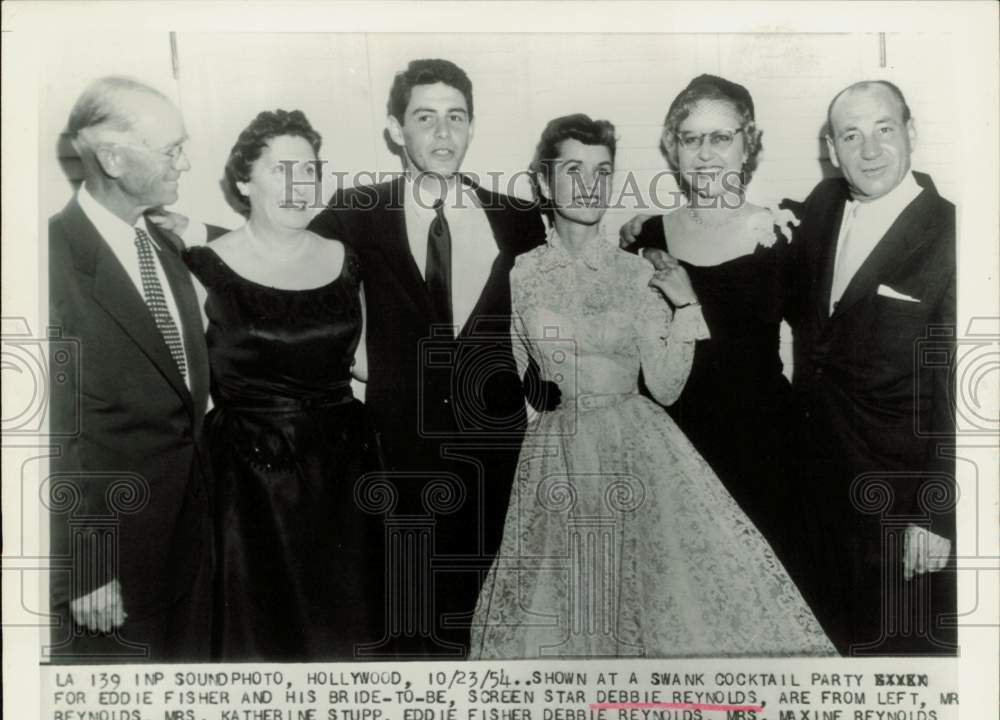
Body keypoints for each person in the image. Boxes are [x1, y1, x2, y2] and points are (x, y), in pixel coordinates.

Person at [470, 114, 835, 658]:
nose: (589, 184)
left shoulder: (638, 272)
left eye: (602, 171)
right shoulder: (522, 273)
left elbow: (665, 387)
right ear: (545, 183)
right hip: (556, 459)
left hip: (635, 451)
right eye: (573, 170)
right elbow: (524, 370)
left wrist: (687, 306)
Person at [310, 59, 547, 658]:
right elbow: (282, 258)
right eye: (425, 118)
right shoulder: (356, 211)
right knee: (408, 630)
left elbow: (567, 281)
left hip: (497, 455)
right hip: (397, 456)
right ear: (396, 129)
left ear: (471, 126)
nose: (443, 134)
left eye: (456, 117)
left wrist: (645, 233)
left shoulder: (517, 219)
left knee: (490, 624)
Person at [183, 109, 382, 661]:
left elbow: (368, 364)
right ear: (243, 182)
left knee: (346, 636)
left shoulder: (349, 261)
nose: (299, 186)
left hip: (345, 476)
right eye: (280, 170)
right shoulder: (202, 266)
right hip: (249, 485)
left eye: (310, 170)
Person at [48, 76, 218, 661]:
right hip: (113, 572)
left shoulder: (163, 245)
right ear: (114, 158)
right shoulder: (47, 262)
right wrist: (86, 567)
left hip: (191, 550)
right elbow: (49, 436)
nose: (186, 163)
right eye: (171, 151)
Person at [789, 80, 956, 656]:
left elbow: (961, 393)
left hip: (900, 510)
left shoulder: (955, 234)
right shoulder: (822, 206)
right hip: (814, 492)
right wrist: (651, 230)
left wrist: (938, 519)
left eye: (884, 130)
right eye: (851, 135)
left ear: (910, 133)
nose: (869, 151)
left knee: (899, 666)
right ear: (831, 149)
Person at [619, 74, 802, 567]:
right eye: (690, 138)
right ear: (673, 149)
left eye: (722, 138)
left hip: (763, 451)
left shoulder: (782, 234)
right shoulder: (645, 237)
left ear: (749, 146)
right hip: (674, 449)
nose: (705, 153)